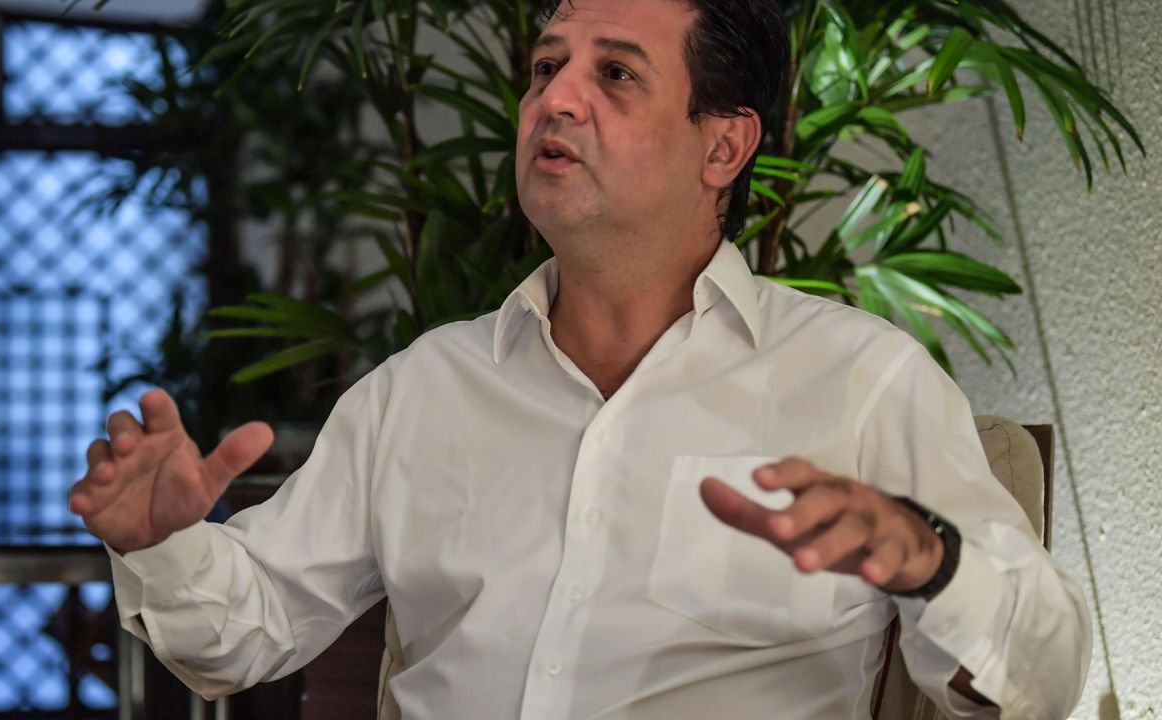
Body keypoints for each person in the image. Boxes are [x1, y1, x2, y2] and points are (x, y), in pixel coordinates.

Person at [69, 0, 1091, 717]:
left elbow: (1043, 681)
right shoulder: (421, 391)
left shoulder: (860, 379)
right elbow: (241, 637)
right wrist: (166, 544)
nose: (553, 99)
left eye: (613, 75)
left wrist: (929, 557)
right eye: (545, 67)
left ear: (723, 146)